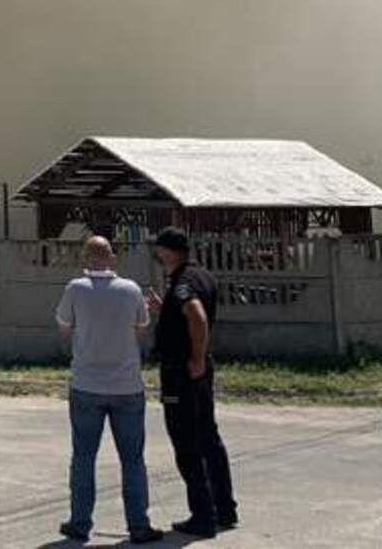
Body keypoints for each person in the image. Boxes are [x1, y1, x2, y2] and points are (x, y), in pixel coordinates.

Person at [55, 234, 164, 544]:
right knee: (132, 459)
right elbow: (142, 325)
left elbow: (64, 325)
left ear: (84, 258)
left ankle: (80, 523)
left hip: (86, 384)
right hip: (126, 385)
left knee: (83, 457)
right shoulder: (130, 290)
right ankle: (138, 524)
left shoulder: (75, 289)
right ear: (112, 258)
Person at [149, 225, 237, 539]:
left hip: (182, 371)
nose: (157, 254)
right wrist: (165, 310)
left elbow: (196, 315)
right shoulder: (203, 275)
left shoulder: (184, 281)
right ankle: (224, 509)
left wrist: (196, 357)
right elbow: (187, 313)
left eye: (159, 248)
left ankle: (202, 516)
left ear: (168, 251)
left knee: (186, 443)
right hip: (198, 370)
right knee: (208, 437)